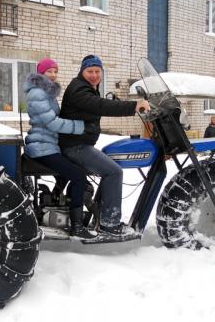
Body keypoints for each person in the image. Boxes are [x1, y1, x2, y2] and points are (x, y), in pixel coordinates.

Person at [59, 55, 150, 237]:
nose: (94, 75)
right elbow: (100, 106)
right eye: (90, 71)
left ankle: (102, 215)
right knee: (114, 171)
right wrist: (134, 106)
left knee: (109, 165)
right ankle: (109, 224)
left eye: (97, 71)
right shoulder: (79, 89)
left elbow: (99, 104)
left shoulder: (86, 88)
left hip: (79, 143)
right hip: (75, 146)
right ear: (82, 71)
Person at [24, 58, 95, 239]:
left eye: (56, 71)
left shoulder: (47, 93)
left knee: (71, 171)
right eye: (50, 71)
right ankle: (77, 227)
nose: (53, 74)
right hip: (42, 148)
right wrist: (80, 127)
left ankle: (57, 201)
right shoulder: (38, 93)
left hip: (47, 145)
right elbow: (52, 123)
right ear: (41, 73)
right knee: (78, 176)